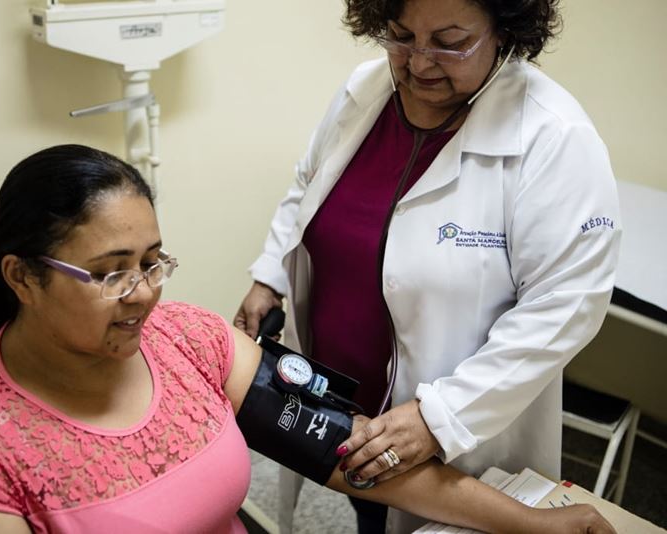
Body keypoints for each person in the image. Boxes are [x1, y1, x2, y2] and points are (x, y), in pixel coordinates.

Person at [0, 145, 615, 533]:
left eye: (152, 263)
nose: (145, 294)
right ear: (21, 277)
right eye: (111, 275)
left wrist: (530, 526)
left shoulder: (188, 342)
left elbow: (352, 455)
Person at [234, 0, 621, 531]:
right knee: (365, 504)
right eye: (399, 34)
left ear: (504, 30)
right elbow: (308, 182)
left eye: (450, 41)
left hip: (447, 434)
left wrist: (441, 418)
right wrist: (269, 278)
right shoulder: (364, 90)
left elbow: (566, 306)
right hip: (339, 401)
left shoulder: (553, 136)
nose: (418, 63)